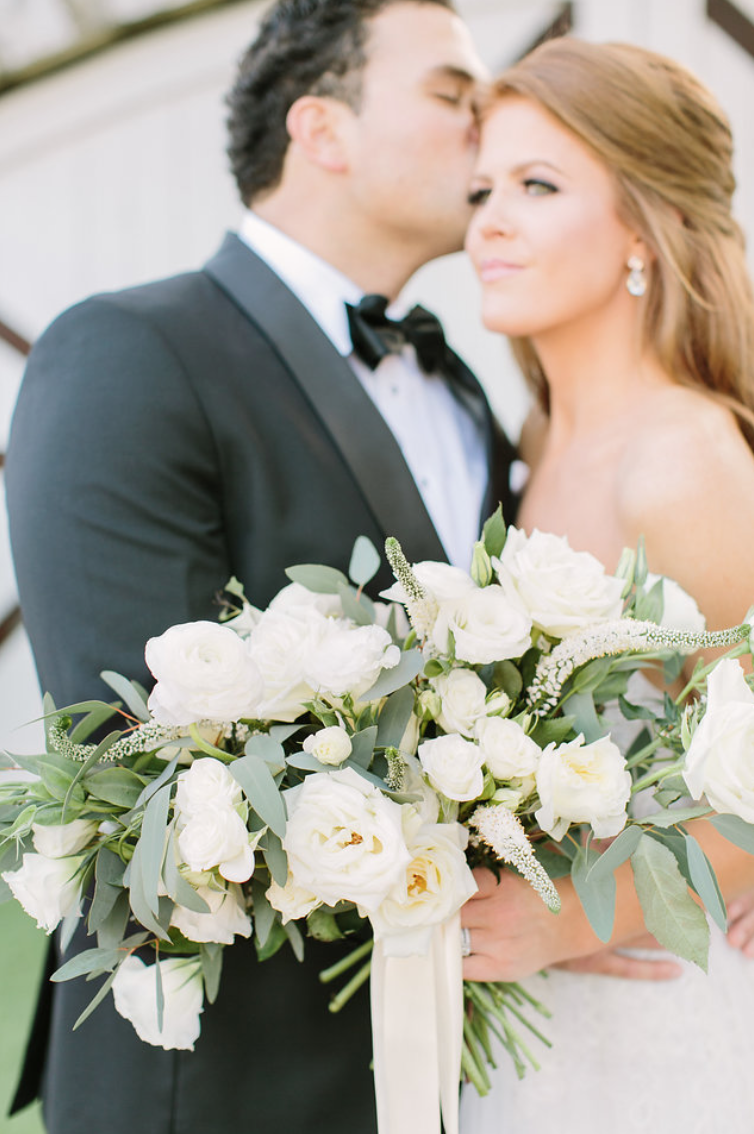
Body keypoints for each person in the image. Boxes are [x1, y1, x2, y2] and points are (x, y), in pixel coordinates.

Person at [4, 3, 519, 1132]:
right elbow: (132, 743)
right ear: (321, 129)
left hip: (429, 1051)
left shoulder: (469, 398)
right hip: (211, 1071)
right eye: (451, 97)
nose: (493, 130)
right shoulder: (129, 351)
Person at [459, 37, 754, 1132]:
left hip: (655, 1022)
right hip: (532, 1029)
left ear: (639, 225)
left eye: (537, 186)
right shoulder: (539, 437)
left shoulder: (679, 459)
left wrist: (568, 924)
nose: (486, 219)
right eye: (482, 187)